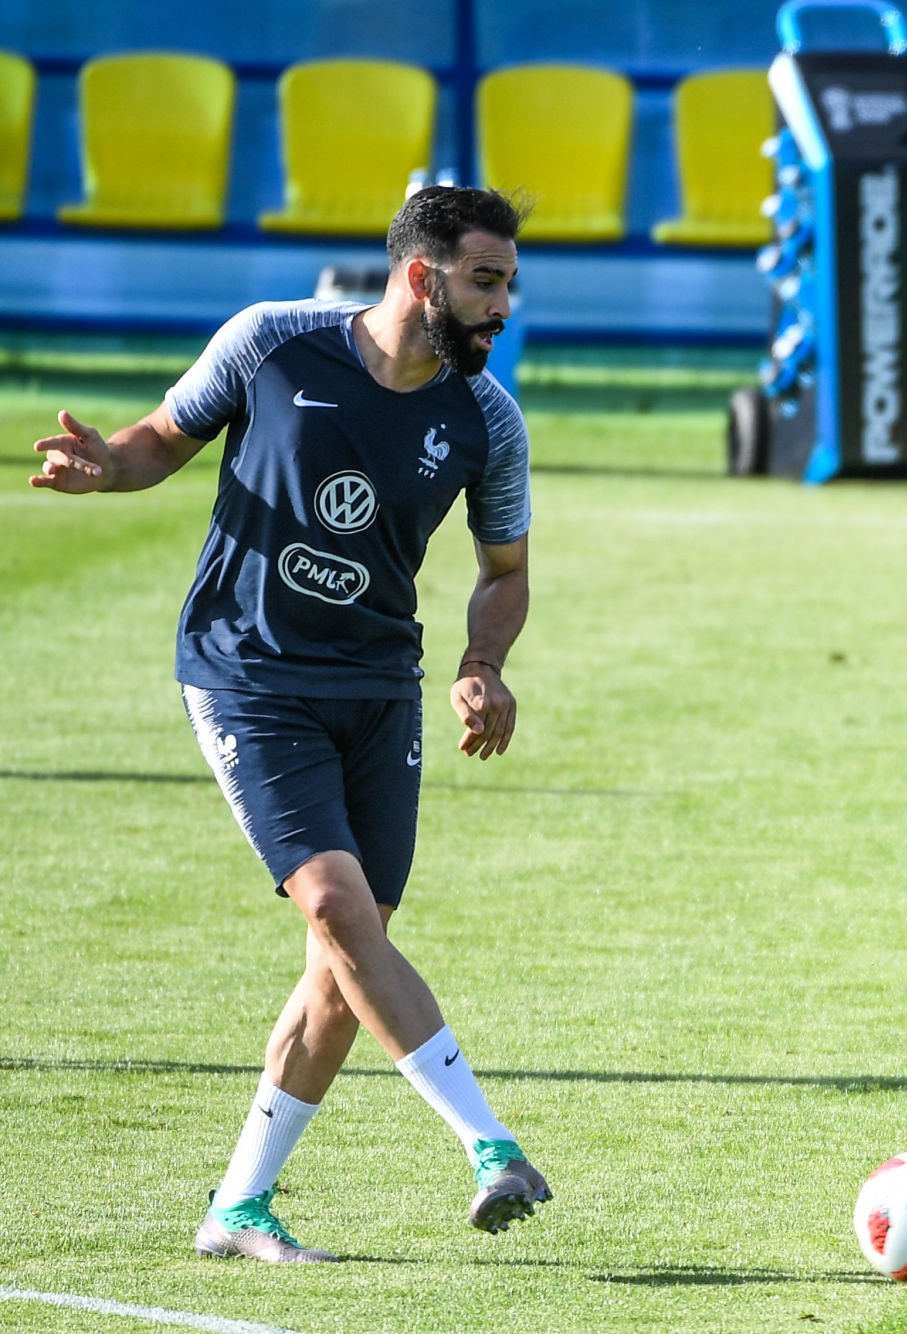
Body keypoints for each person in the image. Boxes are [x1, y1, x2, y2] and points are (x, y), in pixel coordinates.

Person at [30, 186, 551, 1262]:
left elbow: (505, 570)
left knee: (346, 961)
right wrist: (105, 467)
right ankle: (490, 1145)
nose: (502, 305)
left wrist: (482, 664)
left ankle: (238, 1208)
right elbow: (158, 439)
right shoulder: (271, 341)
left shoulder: (487, 419)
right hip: (248, 674)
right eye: (485, 281)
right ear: (422, 276)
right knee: (337, 907)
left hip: (379, 688)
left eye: (508, 283)